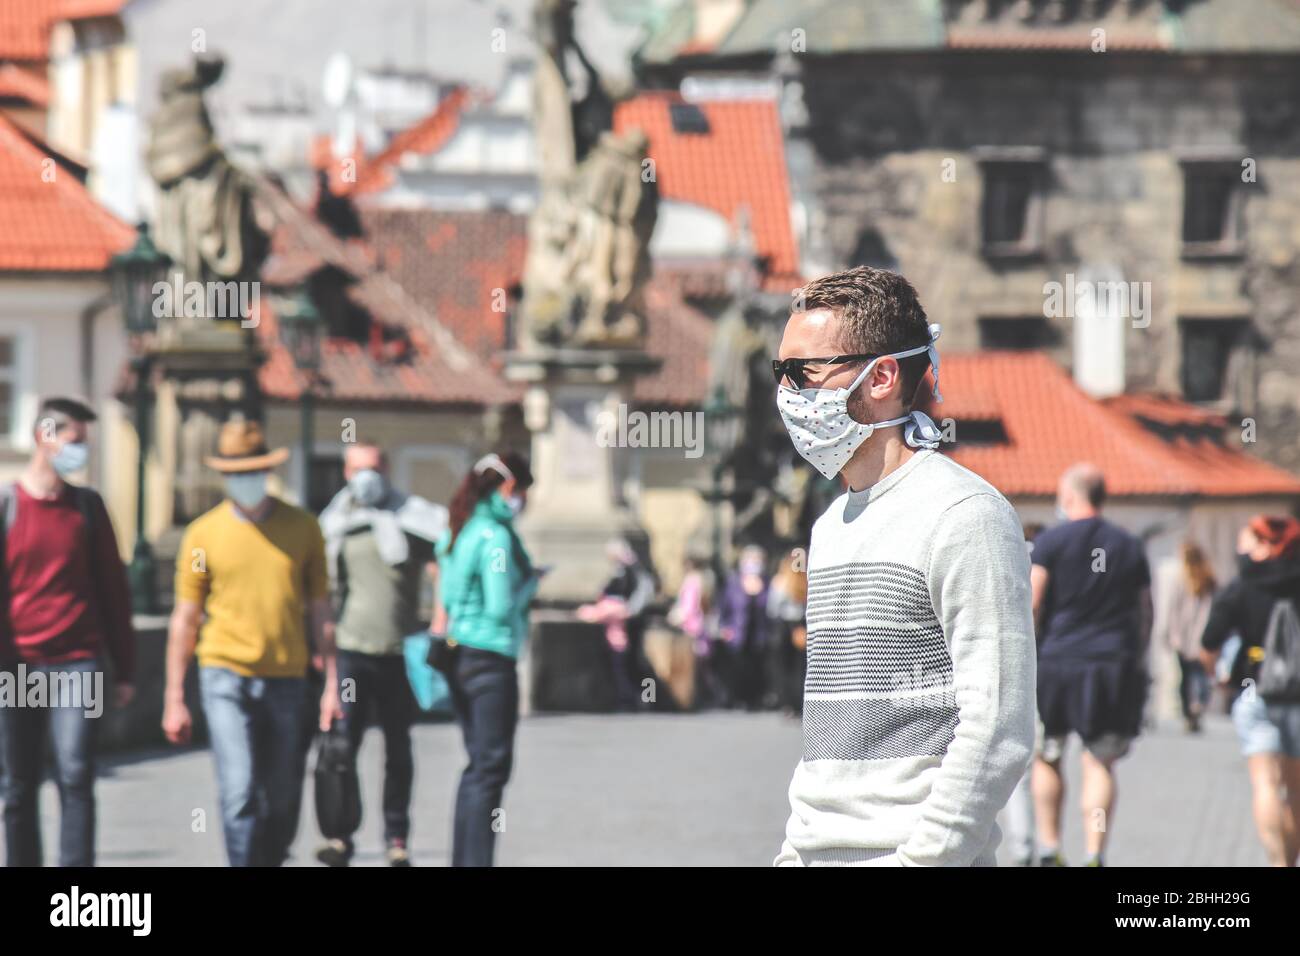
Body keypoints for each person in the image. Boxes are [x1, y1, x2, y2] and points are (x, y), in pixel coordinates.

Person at [771, 266, 1035, 867]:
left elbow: (999, 725)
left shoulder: (965, 514)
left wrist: (923, 861)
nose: (787, 392)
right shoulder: (831, 525)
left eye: (802, 372)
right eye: (779, 372)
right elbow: (829, 735)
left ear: (883, 375)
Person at [162, 419, 340, 867]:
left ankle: (272, 857)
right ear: (224, 476)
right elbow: (186, 617)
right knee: (239, 788)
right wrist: (174, 696)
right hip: (224, 674)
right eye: (237, 472)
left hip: (287, 676)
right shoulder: (202, 534)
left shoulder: (303, 528)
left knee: (282, 795)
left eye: (254, 470)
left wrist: (334, 683)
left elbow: (321, 610)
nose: (246, 480)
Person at [0, 397, 135, 867]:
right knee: (17, 784)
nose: (82, 452)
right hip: (16, 664)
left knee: (76, 775)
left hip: (79, 662)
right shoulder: (7, 505)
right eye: (75, 441)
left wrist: (125, 669)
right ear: (45, 437)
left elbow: (114, 592)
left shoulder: (88, 507)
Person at [315, 440, 447, 867]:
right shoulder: (335, 523)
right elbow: (319, 591)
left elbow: (444, 558)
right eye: (356, 469)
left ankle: (396, 838)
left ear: (386, 468)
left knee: (398, 749)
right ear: (345, 474)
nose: (365, 477)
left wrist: (439, 621)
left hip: (399, 653)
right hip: (352, 653)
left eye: (372, 467)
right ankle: (339, 835)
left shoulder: (412, 519)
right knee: (343, 748)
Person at [1030, 464, 1151, 867]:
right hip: (1110, 665)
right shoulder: (1128, 545)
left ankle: (1049, 847)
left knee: (1048, 754)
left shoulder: (1051, 541)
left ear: (1069, 496)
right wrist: (1135, 655)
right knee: (1099, 762)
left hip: (1057, 664)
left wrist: (1026, 655)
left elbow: (1033, 602)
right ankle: (1094, 854)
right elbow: (1145, 611)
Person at [437, 452, 538, 866]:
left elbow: (446, 594)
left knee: (476, 766)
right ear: (510, 488)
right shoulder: (495, 537)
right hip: (492, 658)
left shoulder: (461, 529)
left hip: (460, 654)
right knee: (491, 769)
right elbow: (499, 606)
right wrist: (530, 587)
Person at [1199, 516, 1300, 867]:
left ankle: (1278, 863)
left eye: (1246, 542)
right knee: (1296, 790)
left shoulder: (1242, 585)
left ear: (1265, 545)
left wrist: (1219, 676)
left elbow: (1209, 642)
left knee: (1266, 785)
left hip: (1256, 687)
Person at [1004, 521, 1045, 866]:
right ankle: (1029, 846)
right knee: (1031, 766)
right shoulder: (1047, 564)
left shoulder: (1004, 558)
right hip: (1045, 675)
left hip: (1010, 675)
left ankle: (1023, 848)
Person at [579, 538, 657, 710]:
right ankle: (644, 699)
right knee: (634, 662)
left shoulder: (634, 568)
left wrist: (630, 610)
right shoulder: (626, 569)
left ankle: (649, 698)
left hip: (633, 621)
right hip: (627, 620)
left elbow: (644, 590)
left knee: (640, 662)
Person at [1155, 541, 1216, 733]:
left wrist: (1166, 634)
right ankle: (1198, 706)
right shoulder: (1208, 579)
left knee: (1186, 677)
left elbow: (1170, 609)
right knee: (1202, 675)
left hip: (1182, 637)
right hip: (1202, 636)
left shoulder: (1180, 579)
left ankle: (1189, 711)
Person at [717, 546, 772, 711]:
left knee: (757, 668)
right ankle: (737, 698)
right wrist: (724, 627)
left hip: (759, 634)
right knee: (738, 668)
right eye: (751, 560)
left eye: (757, 560)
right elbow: (723, 607)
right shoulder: (733, 582)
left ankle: (756, 699)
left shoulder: (767, 583)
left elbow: (771, 608)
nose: (754, 564)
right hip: (738, 633)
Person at [766, 551, 808, 717]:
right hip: (801, 626)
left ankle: (787, 703)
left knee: (784, 667)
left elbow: (772, 608)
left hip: (784, 626)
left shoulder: (781, 581)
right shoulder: (805, 580)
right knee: (801, 667)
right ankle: (799, 701)